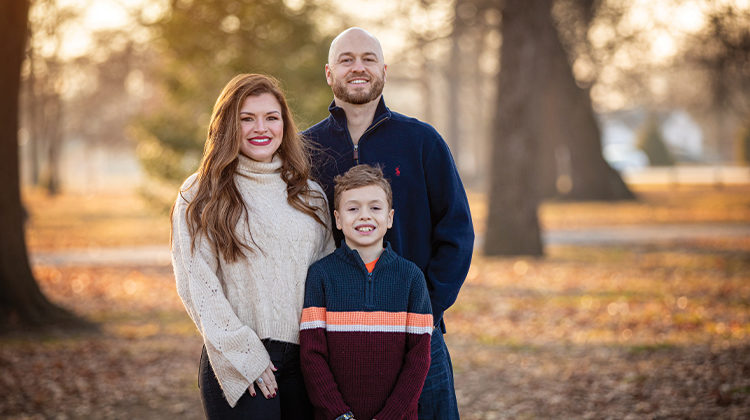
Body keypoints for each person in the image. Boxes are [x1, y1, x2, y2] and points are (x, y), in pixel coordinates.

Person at [303, 27, 474, 419]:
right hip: (335, 338)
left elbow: (456, 230)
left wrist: (427, 308)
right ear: (329, 73)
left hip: (417, 331)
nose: (357, 67)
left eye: (367, 59)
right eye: (346, 59)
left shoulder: (422, 141)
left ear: (384, 69)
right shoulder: (305, 150)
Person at [170, 73, 335, 419]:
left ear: (284, 125)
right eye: (247, 119)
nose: (261, 128)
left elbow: (327, 279)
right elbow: (197, 283)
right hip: (237, 359)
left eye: (271, 118)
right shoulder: (199, 193)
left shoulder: (310, 195)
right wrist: (245, 354)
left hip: (306, 363)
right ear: (228, 125)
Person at [300, 164, 433, 420]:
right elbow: (312, 356)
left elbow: (419, 359)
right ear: (338, 219)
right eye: (353, 208)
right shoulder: (321, 275)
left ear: (390, 217)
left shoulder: (411, 278)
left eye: (375, 207)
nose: (364, 216)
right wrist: (339, 414)